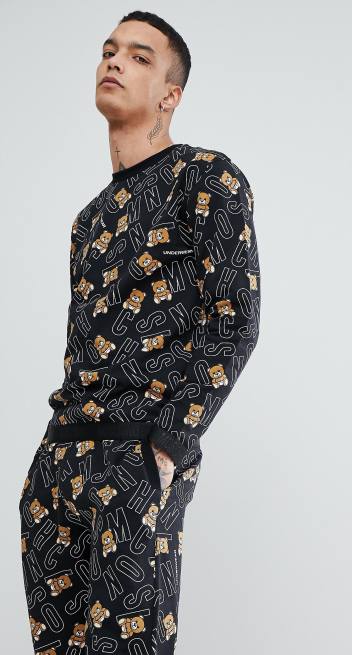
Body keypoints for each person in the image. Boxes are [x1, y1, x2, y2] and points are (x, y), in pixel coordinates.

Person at [18, 10, 261, 654]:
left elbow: (234, 320)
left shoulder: (205, 179)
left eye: (139, 56)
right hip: (58, 467)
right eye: (109, 49)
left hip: (135, 458)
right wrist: (45, 468)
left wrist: (169, 444)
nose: (115, 61)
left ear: (170, 95)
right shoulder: (88, 220)